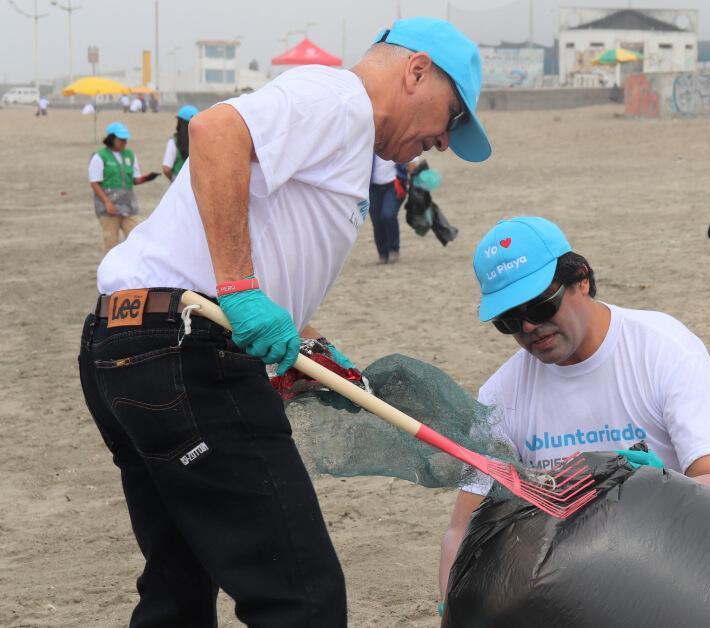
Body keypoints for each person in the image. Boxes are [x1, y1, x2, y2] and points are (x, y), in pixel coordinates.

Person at [77, 17, 490, 626]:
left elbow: (270, 236)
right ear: (417, 71)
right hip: (183, 351)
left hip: (126, 345)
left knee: (178, 587)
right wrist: (240, 291)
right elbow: (216, 131)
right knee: (301, 598)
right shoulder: (340, 99)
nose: (446, 140)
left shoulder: (345, 133)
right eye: (452, 116)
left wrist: (307, 342)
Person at [438, 216, 710, 603]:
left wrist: (642, 490)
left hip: (672, 569)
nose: (530, 326)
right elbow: (460, 530)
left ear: (581, 278)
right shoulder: (501, 392)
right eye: (510, 320)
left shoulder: (665, 350)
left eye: (539, 305)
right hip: (566, 589)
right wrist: (450, 607)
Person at [88, 121, 159, 253]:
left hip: (128, 205)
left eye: (125, 139)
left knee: (136, 239)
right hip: (108, 208)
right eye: (121, 140)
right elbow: (94, 182)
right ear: (111, 139)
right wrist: (107, 203)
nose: (124, 142)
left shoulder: (130, 155)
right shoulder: (99, 156)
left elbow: (134, 180)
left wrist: (145, 178)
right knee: (111, 243)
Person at [368, 154, 402, 263]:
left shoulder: (394, 139)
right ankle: (382, 253)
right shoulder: (368, 143)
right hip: (372, 187)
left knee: (388, 215)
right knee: (376, 221)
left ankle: (393, 249)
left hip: (393, 184)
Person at [161, 104, 198, 181]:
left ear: (179, 123)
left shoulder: (174, 141)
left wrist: (173, 179)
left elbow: (166, 169)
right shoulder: (201, 141)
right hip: (197, 183)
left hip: (179, 181)